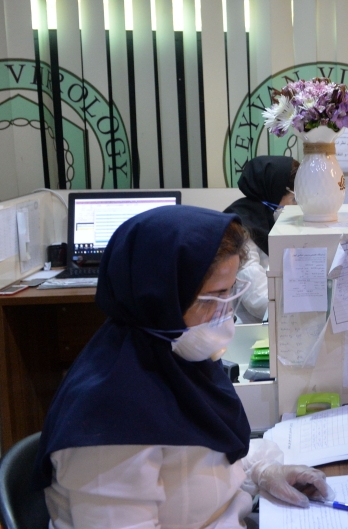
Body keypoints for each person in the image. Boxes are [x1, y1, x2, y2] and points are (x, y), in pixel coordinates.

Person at [36, 206, 332, 527]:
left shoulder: (176, 357)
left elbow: (206, 458)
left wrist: (263, 471)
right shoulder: (108, 419)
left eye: (230, 292)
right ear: (162, 297)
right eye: (212, 298)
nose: (225, 313)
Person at [224, 156, 298, 324]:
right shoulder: (241, 227)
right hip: (250, 328)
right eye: (293, 199)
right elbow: (257, 297)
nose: (295, 205)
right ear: (275, 191)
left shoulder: (268, 220)